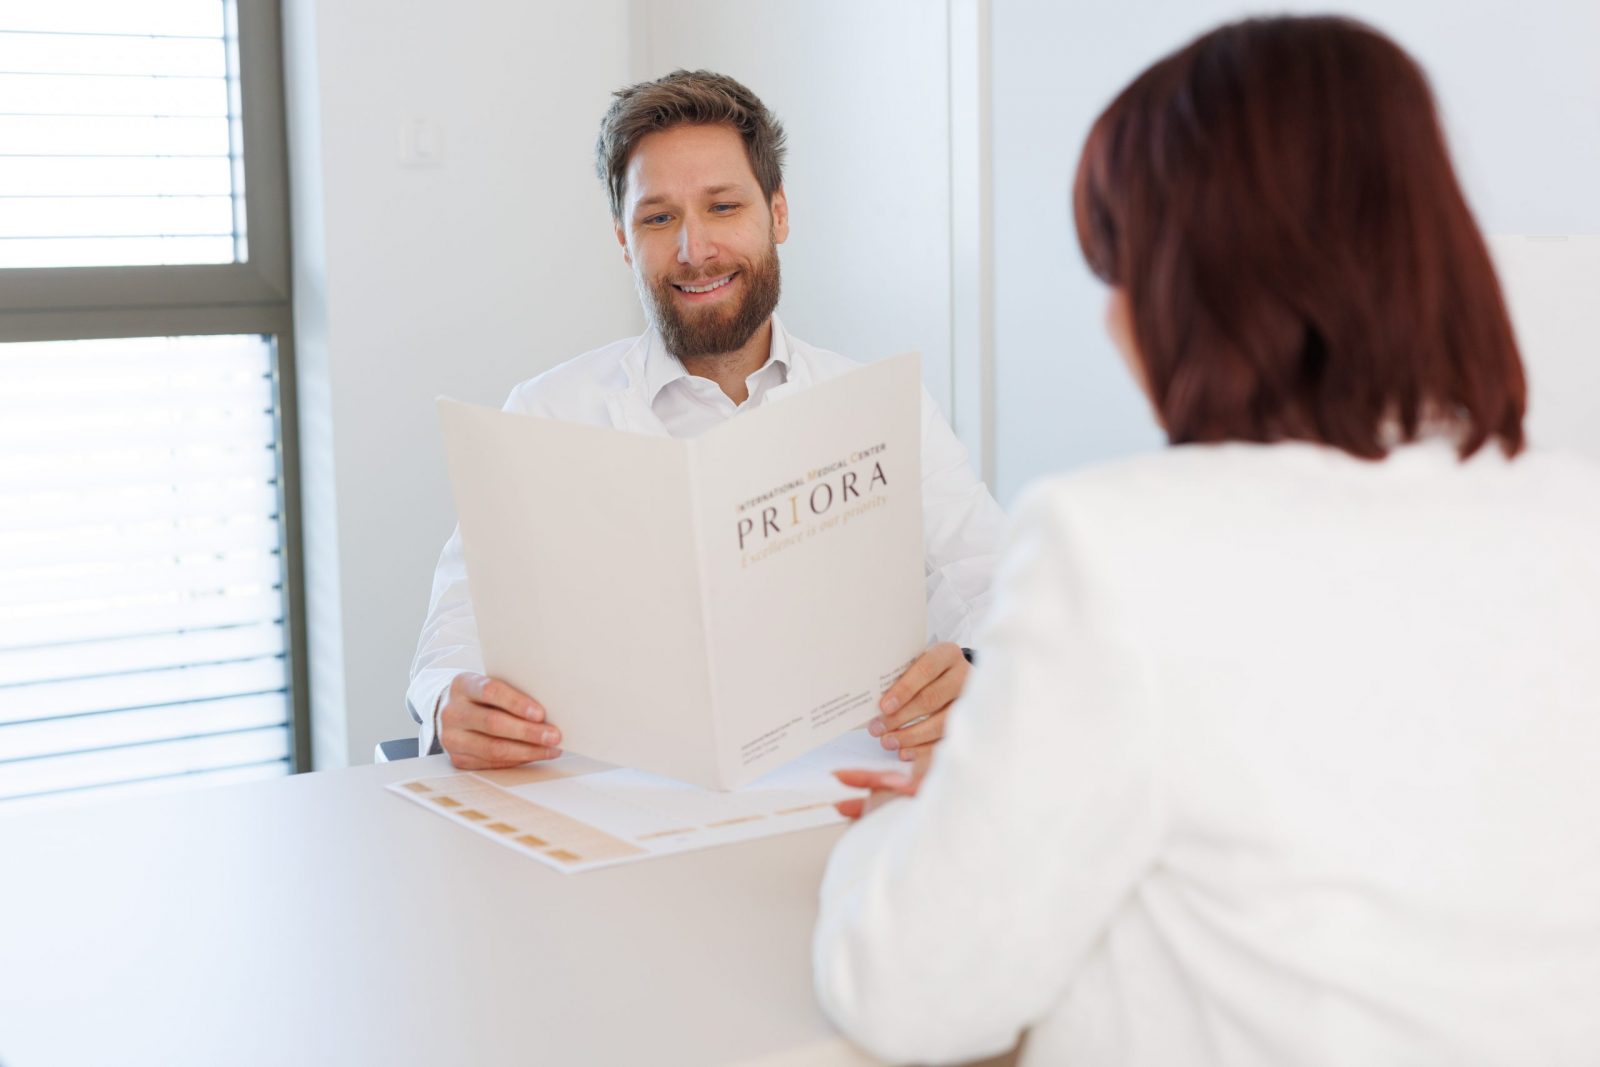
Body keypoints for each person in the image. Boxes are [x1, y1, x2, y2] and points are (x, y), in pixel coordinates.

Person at [813, 16, 1600, 1066]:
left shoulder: (1117, 546)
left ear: (1198, 281)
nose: (1110, 322)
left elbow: (912, 993)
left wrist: (891, 844)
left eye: (1121, 268)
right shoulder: (1573, 520)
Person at [407, 70, 1006, 770]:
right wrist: (453, 698)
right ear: (624, 241)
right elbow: (458, 623)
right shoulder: (545, 413)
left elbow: (992, 577)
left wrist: (979, 667)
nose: (694, 249)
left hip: (839, 790)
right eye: (658, 218)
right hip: (606, 805)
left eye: (723, 207)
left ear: (778, 214)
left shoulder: (884, 406)